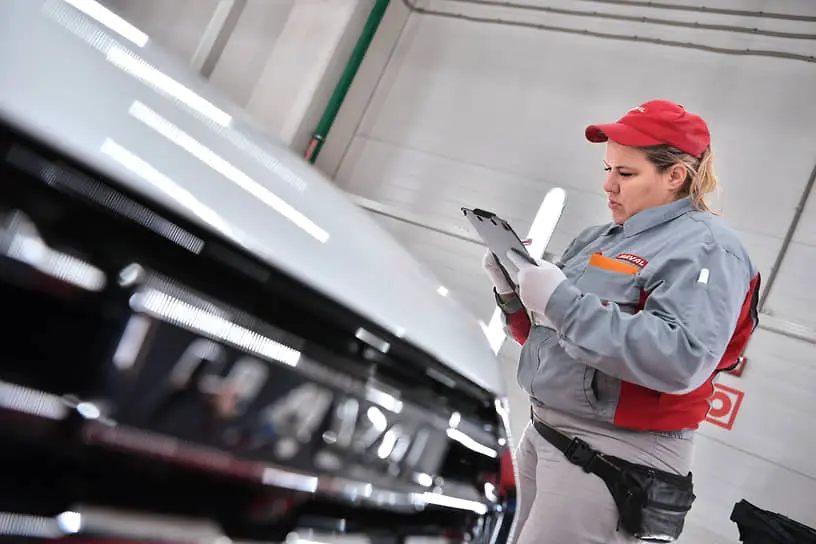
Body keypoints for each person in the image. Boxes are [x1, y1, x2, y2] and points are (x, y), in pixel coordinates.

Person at [482, 100, 760, 543]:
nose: (608, 185)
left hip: (610, 457)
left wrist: (563, 303)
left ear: (675, 175)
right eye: (608, 169)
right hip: (545, 433)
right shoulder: (601, 239)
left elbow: (682, 359)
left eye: (625, 174)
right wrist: (513, 296)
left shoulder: (708, 250)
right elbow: (553, 340)